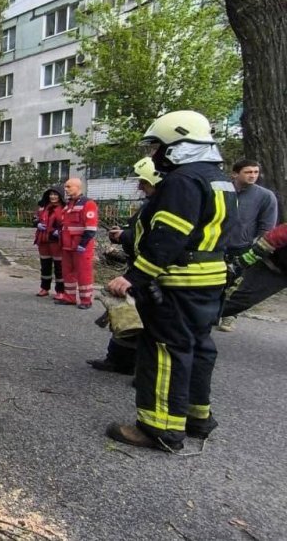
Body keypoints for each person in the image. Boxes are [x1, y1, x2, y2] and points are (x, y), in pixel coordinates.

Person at [105, 110, 237, 452]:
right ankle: (196, 417)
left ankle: (159, 429)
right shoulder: (219, 179)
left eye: (158, 148)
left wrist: (133, 277)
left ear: (177, 145)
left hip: (178, 282)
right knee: (199, 347)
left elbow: (167, 238)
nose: (155, 156)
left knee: (165, 351)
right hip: (209, 281)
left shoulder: (181, 182)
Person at [86, 157, 163, 375]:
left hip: (150, 272)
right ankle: (119, 361)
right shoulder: (152, 204)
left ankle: (142, 370)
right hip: (140, 268)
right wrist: (123, 235)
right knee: (125, 316)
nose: (140, 186)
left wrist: (125, 236)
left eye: (144, 182)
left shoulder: (166, 206)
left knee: (140, 321)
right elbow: (141, 232)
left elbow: (158, 240)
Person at [217, 159, 278, 331]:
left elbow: (267, 228)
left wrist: (255, 249)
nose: (252, 175)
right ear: (235, 174)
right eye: (248, 172)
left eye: (255, 172)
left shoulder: (265, 196)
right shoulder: (221, 191)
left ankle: (229, 315)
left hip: (243, 248)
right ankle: (209, 313)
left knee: (235, 285)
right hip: (215, 245)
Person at [223, 223, 287, 318]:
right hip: (274, 267)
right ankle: (200, 317)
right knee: (241, 301)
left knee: (241, 301)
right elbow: (279, 235)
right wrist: (254, 253)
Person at [57, 178, 98, 309]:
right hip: (67, 245)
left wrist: (83, 244)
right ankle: (69, 297)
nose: (66, 189)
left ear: (77, 187)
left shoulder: (88, 204)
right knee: (67, 272)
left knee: (83, 273)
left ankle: (86, 300)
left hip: (81, 246)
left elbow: (91, 228)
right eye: (66, 186)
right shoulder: (69, 204)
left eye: (69, 186)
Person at [32, 185, 65, 297]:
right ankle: (44, 288)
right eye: (51, 194)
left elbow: (66, 224)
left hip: (56, 241)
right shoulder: (43, 207)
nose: (53, 196)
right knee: (45, 266)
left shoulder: (64, 208)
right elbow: (35, 219)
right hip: (43, 240)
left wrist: (59, 231)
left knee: (59, 267)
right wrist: (37, 224)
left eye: (55, 194)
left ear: (60, 196)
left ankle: (60, 291)